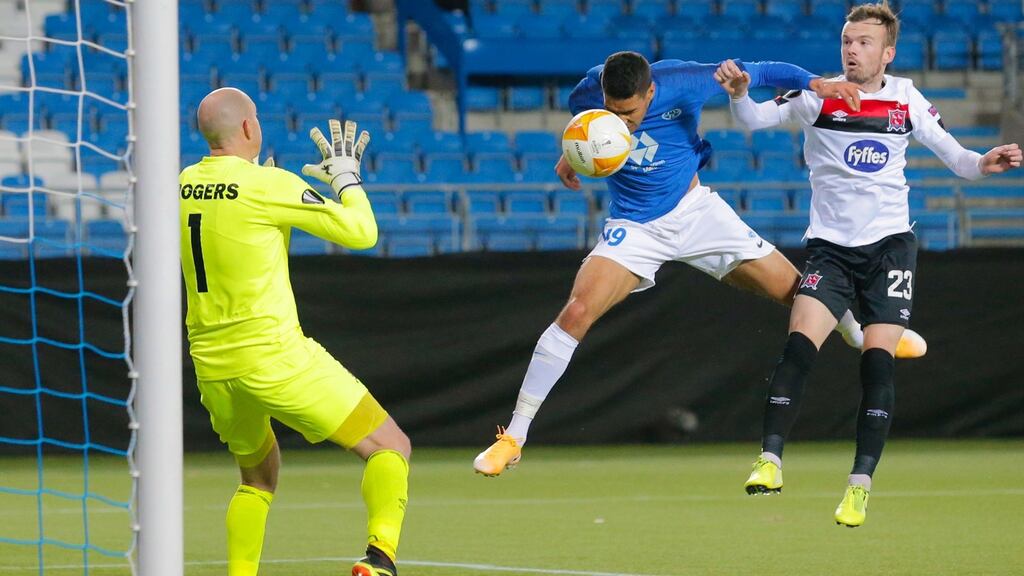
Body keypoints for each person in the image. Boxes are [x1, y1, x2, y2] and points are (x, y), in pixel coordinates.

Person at [473, 51, 929, 477]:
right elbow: (588, 128)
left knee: (799, 292)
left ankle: (858, 332)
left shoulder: (684, 80)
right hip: (635, 227)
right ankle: (514, 436)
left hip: (696, 213)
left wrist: (814, 82)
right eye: (612, 111)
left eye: (628, 114)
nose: (620, 122)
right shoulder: (586, 95)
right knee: (575, 312)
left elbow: (762, 71)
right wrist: (573, 153)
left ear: (650, 92)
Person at [718, 1, 1021, 527]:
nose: (852, 50)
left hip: (888, 249)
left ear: (887, 52)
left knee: (876, 363)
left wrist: (986, 162)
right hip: (830, 250)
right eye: (847, 41)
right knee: (797, 345)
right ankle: (769, 460)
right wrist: (741, 93)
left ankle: (858, 486)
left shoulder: (905, 98)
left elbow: (957, 158)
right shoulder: (820, 96)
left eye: (863, 42)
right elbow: (753, 122)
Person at [179, 87, 410, 576]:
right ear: (248, 128)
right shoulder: (269, 185)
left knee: (258, 477)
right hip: (273, 355)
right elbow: (362, 233)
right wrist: (346, 180)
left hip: (212, 365)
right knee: (390, 446)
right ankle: (380, 558)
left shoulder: (182, 183)